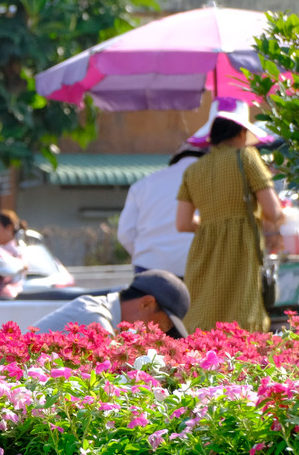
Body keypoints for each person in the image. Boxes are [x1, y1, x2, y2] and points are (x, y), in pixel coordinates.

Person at [176, 98, 284, 332]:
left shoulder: (192, 170)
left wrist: (211, 225)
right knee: (241, 320)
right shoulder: (245, 157)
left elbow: (183, 223)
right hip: (240, 249)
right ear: (243, 131)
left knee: (203, 319)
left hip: (202, 253)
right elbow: (273, 211)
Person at [117, 145, 205, 277]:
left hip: (148, 268)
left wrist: (145, 255)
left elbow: (125, 233)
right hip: (197, 267)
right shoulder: (212, 182)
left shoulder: (144, 184)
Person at [30, 269, 189, 339]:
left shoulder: (104, 315)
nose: (158, 335)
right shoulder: (95, 319)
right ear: (146, 304)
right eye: (163, 326)